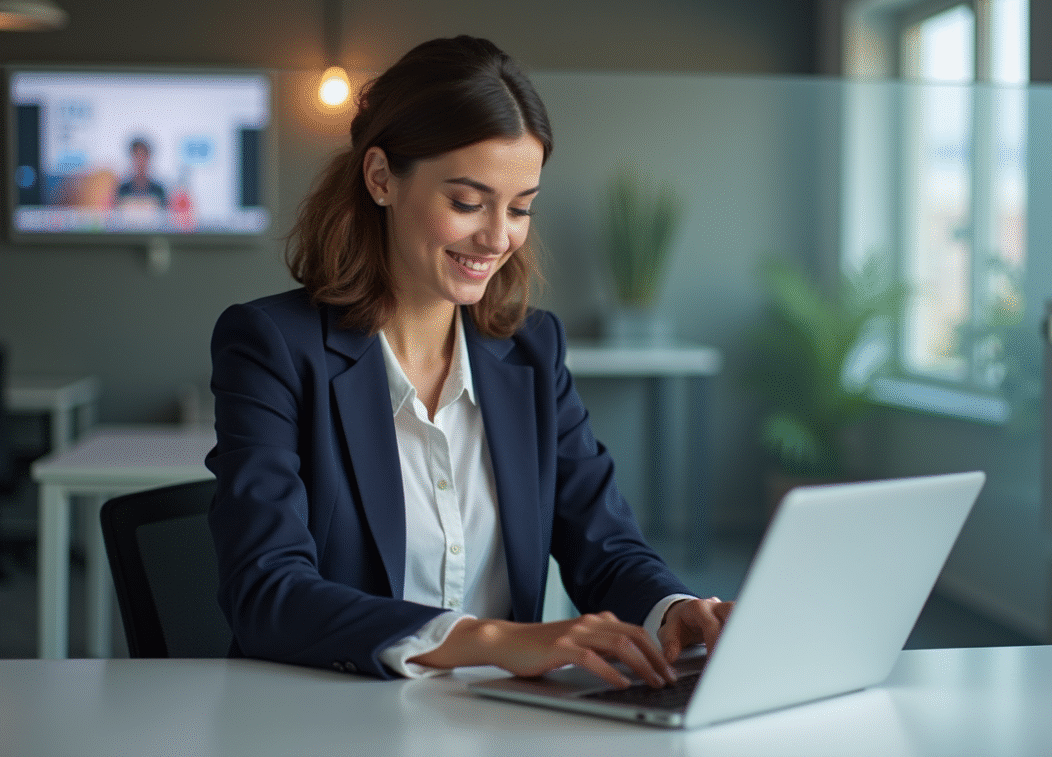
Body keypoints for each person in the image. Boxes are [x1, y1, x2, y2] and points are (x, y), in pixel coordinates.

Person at [206, 35, 733, 687]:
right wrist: (492, 640)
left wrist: (673, 610)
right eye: (466, 202)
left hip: (502, 725)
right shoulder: (272, 346)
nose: (497, 237)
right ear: (380, 179)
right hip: (333, 718)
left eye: (520, 209)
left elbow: (607, 546)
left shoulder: (533, 354)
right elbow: (267, 590)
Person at [114, 138, 167, 208]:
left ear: (148, 158)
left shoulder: (158, 191)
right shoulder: (123, 190)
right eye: (137, 156)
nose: (140, 161)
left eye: (143, 156)